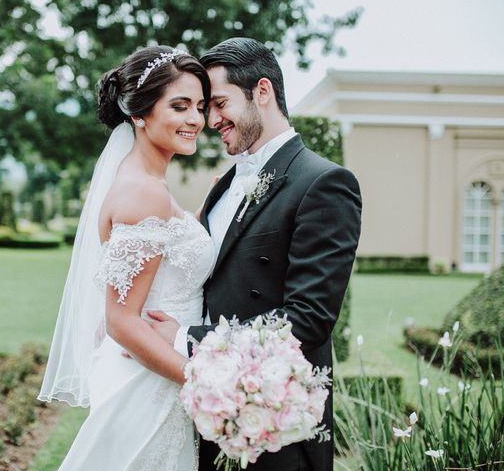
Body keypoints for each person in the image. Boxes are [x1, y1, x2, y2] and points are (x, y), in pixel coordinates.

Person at [148, 37, 363, 471]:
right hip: (207, 416)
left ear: (261, 92)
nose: (211, 120)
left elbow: (307, 319)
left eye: (220, 103)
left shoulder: (324, 183)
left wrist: (182, 339)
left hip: (275, 433)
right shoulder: (224, 185)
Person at [37, 46, 213, 470]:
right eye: (180, 106)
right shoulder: (143, 192)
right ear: (139, 115)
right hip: (148, 383)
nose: (196, 120)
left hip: (156, 372)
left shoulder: (147, 184)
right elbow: (121, 321)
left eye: (201, 107)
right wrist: (205, 383)